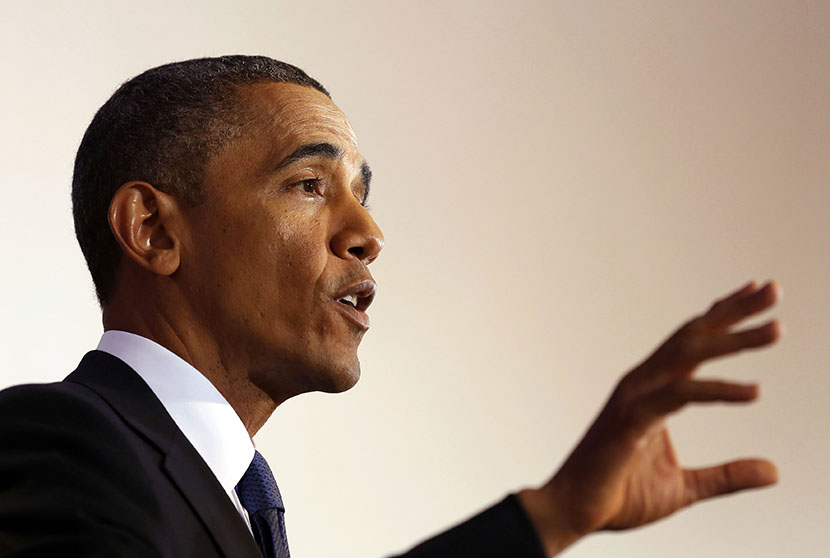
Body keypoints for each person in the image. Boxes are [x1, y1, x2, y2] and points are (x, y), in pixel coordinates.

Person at [0, 55, 781, 557]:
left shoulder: (232, 499)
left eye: (363, 196)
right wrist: (540, 520)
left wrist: (561, 510)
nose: (368, 233)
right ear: (153, 230)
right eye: (309, 185)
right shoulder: (56, 442)